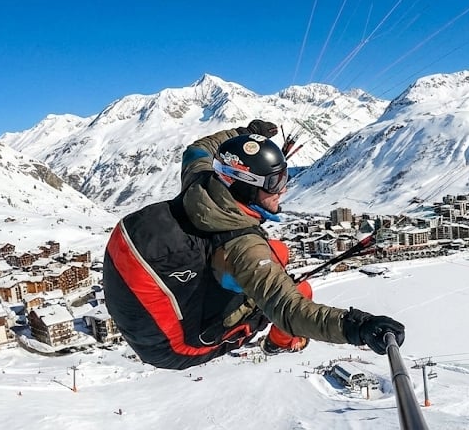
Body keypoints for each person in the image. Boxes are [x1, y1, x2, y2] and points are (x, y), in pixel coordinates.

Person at [103, 119, 405, 370]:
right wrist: (356, 326)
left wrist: (244, 135)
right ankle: (278, 343)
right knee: (297, 286)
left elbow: (197, 150)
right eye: (275, 183)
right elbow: (291, 310)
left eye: (284, 177)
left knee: (279, 254)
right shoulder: (243, 245)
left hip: (148, 316)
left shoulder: (202, 180)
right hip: (178, 348)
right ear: (245, 187)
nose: (283, 189)